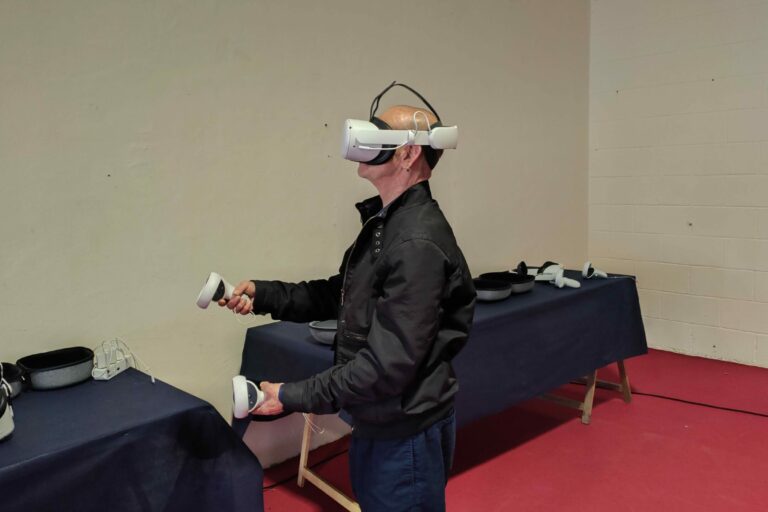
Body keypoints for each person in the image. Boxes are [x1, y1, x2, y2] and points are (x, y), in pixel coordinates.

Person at [221, 95, 475, 511]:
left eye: (380, 133)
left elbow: (387, 366)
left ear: (408, 154)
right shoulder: (388, 222)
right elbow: (340, 293)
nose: (364, 137)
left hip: (404, 432)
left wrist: (290, 395)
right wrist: (264, 294)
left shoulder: (416, 243)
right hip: (382, 419)